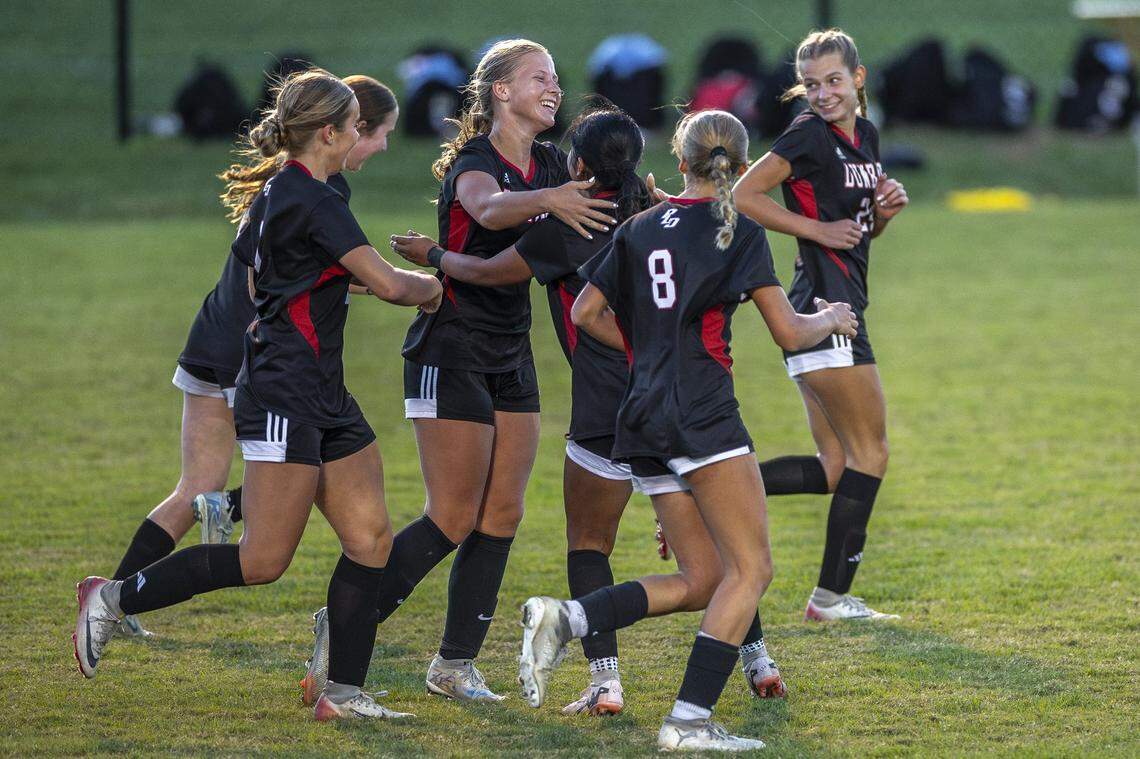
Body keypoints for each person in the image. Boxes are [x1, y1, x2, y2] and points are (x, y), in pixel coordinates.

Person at [72, 69, 443, 723]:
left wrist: (384, 279)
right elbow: (385, 285)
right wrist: (438, 284)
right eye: (357, 126)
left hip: (324, 391)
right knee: (263, 559)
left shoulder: (292, 189)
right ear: (327, 132)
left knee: (371, 536)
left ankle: (343, 693)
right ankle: (114, 600)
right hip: (281, 393)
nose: (365, 136)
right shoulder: (313, 199)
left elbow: (307, 275)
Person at [392, 105, 787, 715]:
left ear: (578, 164)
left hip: (610, 409)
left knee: (590, 544)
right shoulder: (657, 214)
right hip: (685, 402)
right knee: (726, 543)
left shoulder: (566, 228)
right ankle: (755, 658)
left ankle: (606, 681)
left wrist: (433, 255)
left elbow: (492, 273)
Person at [516, 110, 857, 751]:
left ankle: (569, 618)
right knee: (751, 570)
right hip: (701, 413)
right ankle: (689, 722)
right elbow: (790, 331)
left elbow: (587, 313)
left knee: (703, 579)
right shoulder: (740, 229)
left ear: (681, 160)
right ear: (739, 162)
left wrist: (646, 351)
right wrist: (832, 317)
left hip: (640, 418)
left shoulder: (641, 226)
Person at [336, 39, 615, 705]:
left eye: (555, 76)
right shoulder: (475, 163)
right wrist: (556, 197)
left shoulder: (550, 160)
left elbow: (604, 191)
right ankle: (345, 623)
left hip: (510, 351)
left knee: (503, 511)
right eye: (538, 77)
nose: (553, 87)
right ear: (500, 92)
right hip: (450, 348)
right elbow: (489, 210)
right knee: (453, 514)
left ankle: (454, 663)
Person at [733, 29, 908, 621]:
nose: (823, 93)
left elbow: (857, 230)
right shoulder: (807, 132)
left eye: (834, 80)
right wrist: (815, 231)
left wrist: (881, 215)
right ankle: (831, 598)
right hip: (824, 309)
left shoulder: (867, 136)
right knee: (871, 453)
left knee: (839, 467)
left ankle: (701, 487)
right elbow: (745, 194)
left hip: (838, 303)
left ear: (858, 78)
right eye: (811, 84)